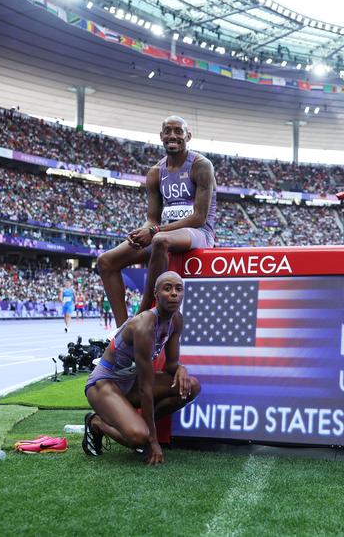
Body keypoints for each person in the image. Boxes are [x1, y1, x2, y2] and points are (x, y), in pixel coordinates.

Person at [96, 115, 217, 327]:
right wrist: (140, 234)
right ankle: (124, 330)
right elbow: (152, 218)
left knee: (161, 240)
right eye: (168, 131)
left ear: (188, 136)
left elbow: (199, 217)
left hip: (198, 233)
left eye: (178, 131)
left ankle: (143, 312)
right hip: (164, 232)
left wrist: (153, 232)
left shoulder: (201, 165)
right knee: (106, 261)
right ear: (161, 136)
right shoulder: (154, 173)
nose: (173, 135)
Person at [82, 271, 200, 465]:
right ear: (156, 294)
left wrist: (182, 369)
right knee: (139, 438)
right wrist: (152, 440)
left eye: (179, 289)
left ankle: (137, 425)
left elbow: (171, 365)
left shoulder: (176, 320)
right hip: (104, 384)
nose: (174, 294)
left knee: (191, 386)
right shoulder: (144, 326)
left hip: (131, 382)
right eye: (167, 288)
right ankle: (96, 423)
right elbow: (146, 387)